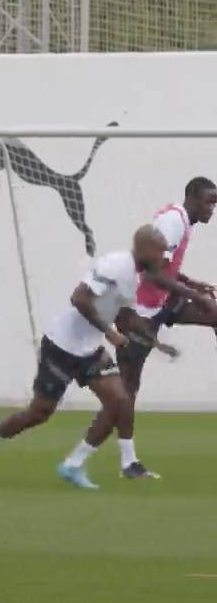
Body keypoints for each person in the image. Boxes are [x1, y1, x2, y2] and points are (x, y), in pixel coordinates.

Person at [0, 226, 211, 489]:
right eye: (160, 253)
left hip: (89, 350)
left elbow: (125, 316)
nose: (163, 259)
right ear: (145, 249)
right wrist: (109, 333)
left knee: (120, 400)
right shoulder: (115, 265)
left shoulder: (133, 277)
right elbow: (79, 298)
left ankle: (74, 464)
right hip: (61, 346)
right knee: (39, 412)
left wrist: (157, 342)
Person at [111, 177, 217, 479]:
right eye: (209, 201)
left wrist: (190, 283)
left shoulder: (182, 222)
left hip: (162, 304)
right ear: (192, 197)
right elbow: (153, 273)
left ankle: (87, 458)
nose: (213, 208)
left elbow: (164, 266)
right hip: (137, 312)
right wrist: (196, 295)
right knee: (126, 390)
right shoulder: (173, 222)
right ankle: (123, 461)